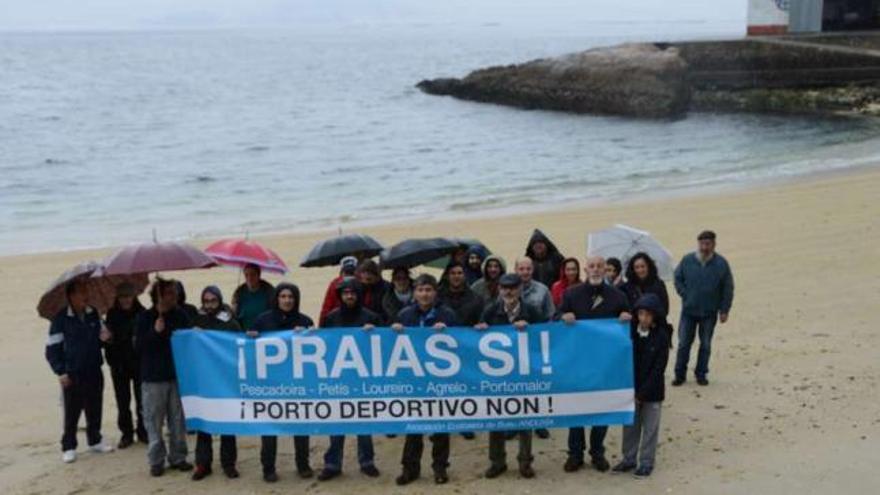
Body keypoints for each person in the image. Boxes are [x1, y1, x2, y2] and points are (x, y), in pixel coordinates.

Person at [558, 256, 631, 474]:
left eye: (601, 266)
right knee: (575, 409)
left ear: (606, 270)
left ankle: (597, 452)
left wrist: (627, 316)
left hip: (605, 364)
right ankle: (575, 454)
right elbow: (555, 318)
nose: (596, 270)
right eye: (592, 266)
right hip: (577, 363)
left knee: (603, 408)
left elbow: (628, 320)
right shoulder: (571, 294)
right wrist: (563, 315)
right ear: (586, 269)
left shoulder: (618, 296)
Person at [392, 274, 459, 486]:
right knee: (413, 428)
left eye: (428, 290)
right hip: (413, 380)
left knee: (440, 427)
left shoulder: (447, 314)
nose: (424, 294)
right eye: (420, 290)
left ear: (435, 293)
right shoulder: (404, 315)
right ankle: (409, 469)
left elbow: (461, 342)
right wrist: (394, 332)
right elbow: (390, 346)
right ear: (415, 293)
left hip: (439, 380)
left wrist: (448, 333)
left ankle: (440, 468)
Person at [475, 273, 541, 479]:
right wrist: (480, 330)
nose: (509, 291)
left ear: (520, 289)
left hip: (524, 373)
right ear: (499, 290)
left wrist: (531, 330)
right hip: (497, 376)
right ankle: (497, 462)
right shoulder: (490, 311)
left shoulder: (531, 311)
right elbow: (477, 340)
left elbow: (546, 335)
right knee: (496, 420)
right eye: (504, 288)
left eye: (512, 287)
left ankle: (525, 462)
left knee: (525, 419)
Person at [250, 282, 315, 483]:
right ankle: (268, 468)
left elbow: (317, 348)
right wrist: (251, 337)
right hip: (271, 384)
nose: (287, 300)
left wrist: (310, 334)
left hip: (297, 384)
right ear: (276, 298)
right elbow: (249, 347)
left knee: (301, 427)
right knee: (269, 428)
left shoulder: (305, 320)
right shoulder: (262, 320)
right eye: (283, 296)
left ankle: (303, 464)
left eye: (291, 297)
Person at [318, 279, 383, 481]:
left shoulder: (371, 317)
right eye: (345, 293)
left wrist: (375, 332)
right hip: (338, 378)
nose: (349, 296)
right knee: (337, 422)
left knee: (364, 422)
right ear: (340, 296)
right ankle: (332, 463)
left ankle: (367, 461)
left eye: (353, 293)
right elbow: (322, 344)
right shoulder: (331, 318)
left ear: (359, 295)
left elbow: (383, 345)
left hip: (363, 378)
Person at [45, 279, 115, 463]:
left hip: (93, 368)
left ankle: (95, 440)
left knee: (95, 407)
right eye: (81, 292)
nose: (85, 295)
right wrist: (60, 371)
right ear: (71, 296)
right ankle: (68, 446)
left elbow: (103, 337)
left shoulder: (93, 314)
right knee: (72, 412)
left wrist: (107, 338)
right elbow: (52, 349)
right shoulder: (60, 319)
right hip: (72, 372)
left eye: (86, 291)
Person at [136, 278, 193, 476]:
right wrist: (155, 332)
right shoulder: (144, 318)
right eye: (169, 293)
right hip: (153, 378)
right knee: (154, 421)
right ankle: (156, 460)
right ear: (159, 296)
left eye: (175, 292)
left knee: (178, 420)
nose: (174, 296)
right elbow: (139, 347)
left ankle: (178, 457)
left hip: (176, 375)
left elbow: (188, 341)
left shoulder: (181, 315)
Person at [612, 294, 670, 478]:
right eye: (640, 314)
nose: (643, 318)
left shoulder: (662, 336)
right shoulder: (629, 332)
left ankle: (646, 462)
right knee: (630, 427)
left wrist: (642, 393)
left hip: (652, 391)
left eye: (647, 314)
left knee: (650, 429)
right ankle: (628, 459)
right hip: (631, 388)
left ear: (655, 316)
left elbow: (658, 369)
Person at [191, 286, 242, 480]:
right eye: (206, 301)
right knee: (204, 424)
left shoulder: (230, 322)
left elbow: (238, 345)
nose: (210, 305)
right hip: (204, 378)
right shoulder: (197, 319)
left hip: (224, 378)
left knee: (227, 422)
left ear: (219, 300)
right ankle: (203, 464)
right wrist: (193, 333)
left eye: (213, 301)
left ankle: (228, 464)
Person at [672, 230, 734, 387]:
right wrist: (685, 294)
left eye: (708, 244)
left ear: (714, 244)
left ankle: (701, 374)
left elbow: (728, 288)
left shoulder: (721, 264)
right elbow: (677, 278)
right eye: (702, 243)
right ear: (698, 244)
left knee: (705, 344)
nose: (705, 247)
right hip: (688, 311)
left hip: (709, 312)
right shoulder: (687, 260)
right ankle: (679, 374)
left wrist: (724, 310)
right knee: (684, 343)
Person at [438, 261, 484, 440]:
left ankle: (465, 422)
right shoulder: (438, 297)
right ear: (448, 276)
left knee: (464, 386)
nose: (457, 276)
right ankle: (443, 424)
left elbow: (480, 318)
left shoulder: (475, 298)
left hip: (466, 346)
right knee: (443, 387)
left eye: (460, 272)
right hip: (443, 348)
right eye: (453, 273)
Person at [103, 282, 147, 449]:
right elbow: (107, 343)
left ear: (134, 297)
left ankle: (143, 431)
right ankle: (126, 433)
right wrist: (108, 339)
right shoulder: (112, 315)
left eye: (128, 296)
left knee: (142, 401)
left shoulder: (142, 313)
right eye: (122, 297)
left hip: (138, 364)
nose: (125, 300)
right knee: (123, 402)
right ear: (118, 298)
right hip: (119, 365)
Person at [619, 253, 670, 344]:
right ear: (633, 269)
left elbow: (664, 308)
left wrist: (649, 320)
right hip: (634, 331)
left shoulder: (658, 284)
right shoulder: (626, 287)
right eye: (637, 267)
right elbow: (622, 307)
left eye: (643, 266)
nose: (640, 270)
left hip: (655, 331)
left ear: (648, 267)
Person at [231, 263, 275, 330]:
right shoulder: (239, 293)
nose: (249, 278)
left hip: (265, 334)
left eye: (253, 274)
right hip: (244, 333)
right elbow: (234, 316)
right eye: (246, 275)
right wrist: (233, 310)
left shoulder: (269, 292)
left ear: (259, 275)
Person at [319, 256, 359, 326]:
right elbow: (327, 306)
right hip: (338, 320)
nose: (349, 276)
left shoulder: (360, 283)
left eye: (351, 272)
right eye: (347, 272)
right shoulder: (334, 284)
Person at [514, 257, 555, 322]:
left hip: (537, 330)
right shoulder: (508, 290)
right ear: (515, 270)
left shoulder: (543, 290)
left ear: (533, 270)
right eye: (521, 269)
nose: (525, 272)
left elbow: (550, 316)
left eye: (528, 269)